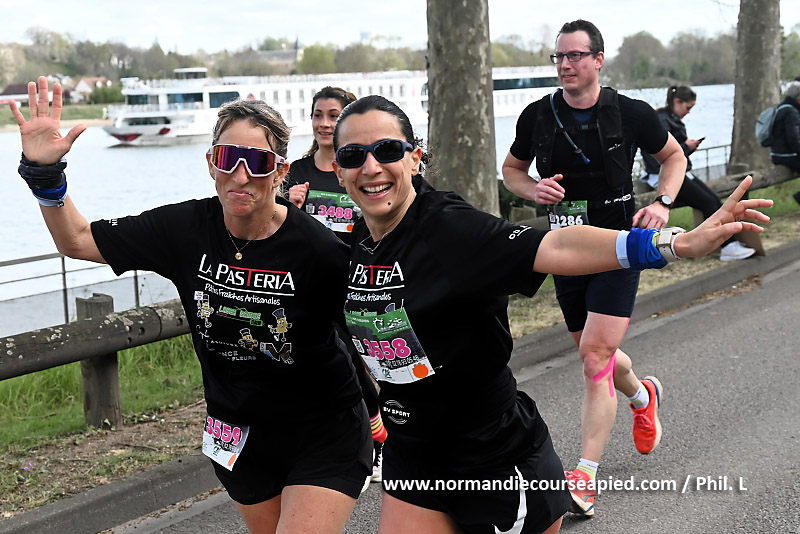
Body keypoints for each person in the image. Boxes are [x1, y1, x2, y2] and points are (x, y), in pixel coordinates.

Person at [331, 94, 770, 533]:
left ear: (414, 158)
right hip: (414, 453)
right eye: (352, 155)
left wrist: (673, 245)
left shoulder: (450, 227)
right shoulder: (354, 243)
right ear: (338, 169)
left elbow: (555, 245)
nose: (370, 168)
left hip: (491, 457)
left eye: (387, 150)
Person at [9, 77, 372, 534]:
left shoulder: (317, 249)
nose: (240, 176)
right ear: (210, 164)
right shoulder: (185, 229)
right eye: (227, 159)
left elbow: (371, 329)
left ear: (281, 171)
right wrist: (44, 175)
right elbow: (77, 239)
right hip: (237, 434)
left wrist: (390, 412)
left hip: (323, 429)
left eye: (257, 162)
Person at [501, 19, 688, 517]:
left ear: (598, 59)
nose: (564, 65)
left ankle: (583, 474)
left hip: (618, 247)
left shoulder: (630, 112)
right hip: (566, 248)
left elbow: (673, 158)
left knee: (594, 357)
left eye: (575, 56)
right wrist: (531, 190)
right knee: (596, 354)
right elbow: (512, 172)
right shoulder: (537, 116)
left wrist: (664, 203)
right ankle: (643, 394)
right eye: (558, 57)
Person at [287, 86, 388, 483]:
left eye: (333, 115)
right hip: (312, 286)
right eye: (318, 115)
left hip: (359, 281)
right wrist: (288, 206)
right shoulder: (296, 172)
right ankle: (371, 441)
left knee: (364, 363)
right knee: (340, 363)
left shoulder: (358, 168)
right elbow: (276, 229)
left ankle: (379, 436)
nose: (324, 123)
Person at [640, 85, 756, 261]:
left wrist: (688, 148)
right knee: (708, 202)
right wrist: (687, 146)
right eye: (688, 108)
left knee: (714, 201)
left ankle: (725, 244)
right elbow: (664, 155)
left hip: (680, 172)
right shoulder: (662, 121)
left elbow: (676, 153)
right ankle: (727, 247)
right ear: (677, 102)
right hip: (665, 175)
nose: (688, 113)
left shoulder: (670, 119)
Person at [767, 82, 800, 206]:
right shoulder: (791, 112)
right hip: (786, 156)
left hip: (777, 154)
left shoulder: (781, 107)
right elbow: (794, 140)